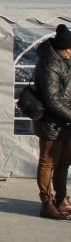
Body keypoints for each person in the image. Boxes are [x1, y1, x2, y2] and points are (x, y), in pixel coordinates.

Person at [32, 23, 71, 220]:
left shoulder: (64, 61)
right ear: (65, 49)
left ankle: (61, 199)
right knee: (48, 162)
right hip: (51, 122)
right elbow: (52, 100)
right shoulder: (49, 64)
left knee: (64, 162)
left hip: (66, 122)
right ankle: (46, 203)